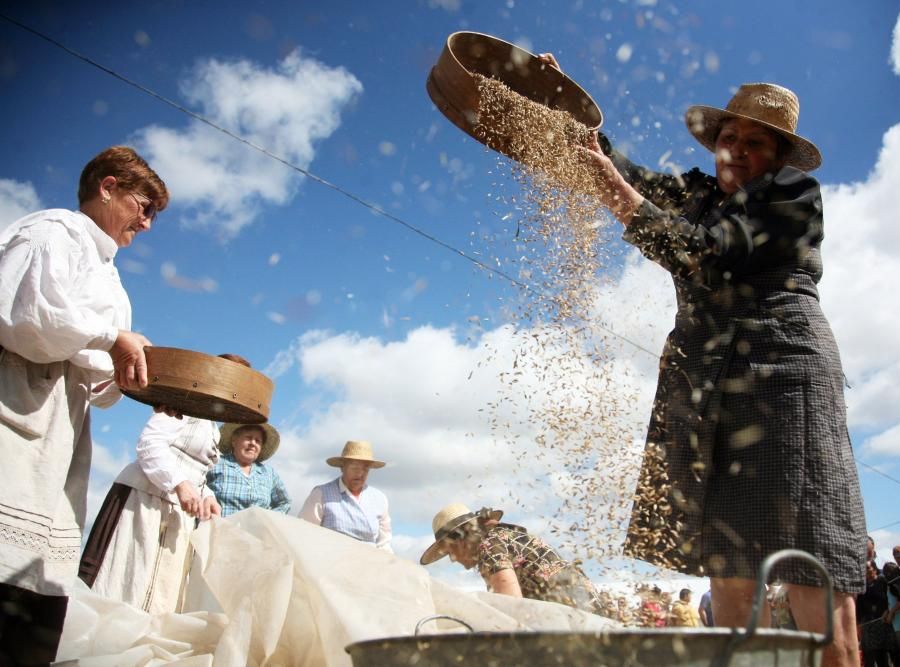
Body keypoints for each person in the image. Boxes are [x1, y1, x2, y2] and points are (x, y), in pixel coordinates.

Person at [540, 55, 865, 667]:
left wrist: (617, 192)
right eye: (729, 137)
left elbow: (706, 255)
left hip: (782, 374)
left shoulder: (792, 195)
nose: (736, 151)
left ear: (777, 156)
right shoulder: (694, 192)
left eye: (755, 143)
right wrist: (560, 105)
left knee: (807, 555)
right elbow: (615, 168)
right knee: (728, 562)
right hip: (705, 380)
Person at [0, 145, 168, 664]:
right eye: (143, 207)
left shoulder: (112, 277)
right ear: (108, 186)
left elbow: (94, 372)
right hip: (17, 406)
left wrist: (122, 377)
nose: (146, 224)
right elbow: (24, 318)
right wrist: (110, 336)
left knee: (40, 591)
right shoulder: (52, 232)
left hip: (63, 431)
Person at [78, 354, 256, 614]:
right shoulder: (180, 405)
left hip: (177, 509)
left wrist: (207, 496)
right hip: (145, 500)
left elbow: (198, 470)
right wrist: (179, 484)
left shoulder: (212, 426)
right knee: (129, 580)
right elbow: (150, 444)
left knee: (162, 592)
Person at [420, 503, 608, 616]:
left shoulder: (489, 547)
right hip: (591, 616)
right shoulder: (503, 536)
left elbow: (511, 605)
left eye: (450, 551)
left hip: (573, 622)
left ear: (461, 541)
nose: (452, 559)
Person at [299, 440, 391, 550]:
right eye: (355, 468)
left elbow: (384, 544)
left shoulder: (379, 499)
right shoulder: (321, 494)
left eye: (365, 469)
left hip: (371, 563)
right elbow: (303, 534)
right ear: (342, 467)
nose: (360, 474)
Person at [206, 422, 290, 517]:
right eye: (248, 438)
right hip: (219, 529)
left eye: (258, 441)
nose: (253, 443)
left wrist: (269, 519)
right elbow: (197, 487)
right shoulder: (216, 463)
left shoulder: (269, 473)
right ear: (234, 441)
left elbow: (285, 502)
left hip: (256, 531)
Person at [857, 560, 893, 667]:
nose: (866, 571)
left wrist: (887, 611)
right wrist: (859, 624)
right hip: (868, 625)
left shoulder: (882, 582)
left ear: (874, 568)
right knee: (869, 658)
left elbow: (889, 600)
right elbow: (859, 607)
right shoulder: (862, 587)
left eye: (867, 568)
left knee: (883, 657)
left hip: (883, 622)